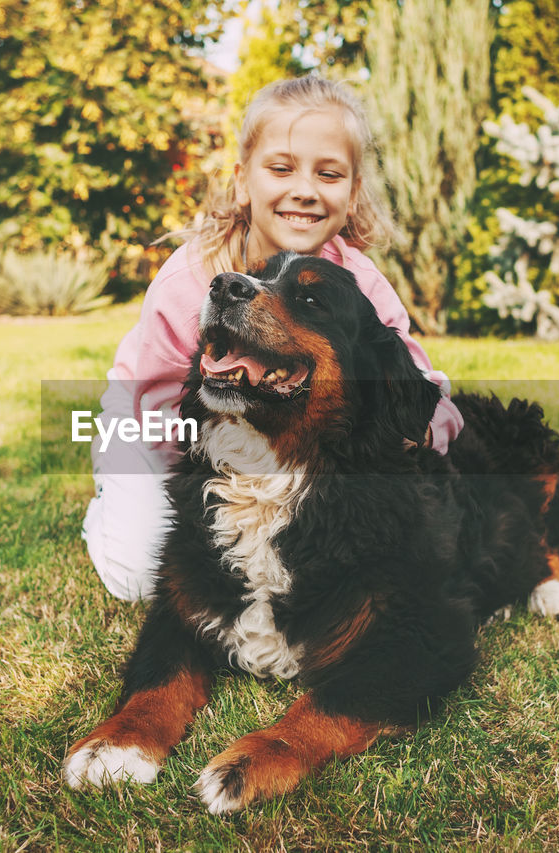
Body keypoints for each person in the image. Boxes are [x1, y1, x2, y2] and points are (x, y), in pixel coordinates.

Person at [82, 74, 464, 601]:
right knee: (146, 574)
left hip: (262, 424)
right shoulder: (188, 280)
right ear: (243, 181)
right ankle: (108, 499)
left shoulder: (360, 283)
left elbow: (405, 373)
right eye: (281, 168)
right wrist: (212, 499)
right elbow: (162, 412)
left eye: (328, 174)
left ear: (353, 194)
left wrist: (431, 417)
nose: (304, 189)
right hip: (153, 423)